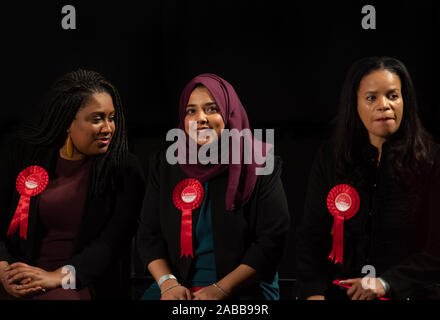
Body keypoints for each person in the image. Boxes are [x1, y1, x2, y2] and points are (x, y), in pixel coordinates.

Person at [296, 56, 440, 300]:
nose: (384, 105)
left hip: (408, 293)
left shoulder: (432, 159)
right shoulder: (330, 157)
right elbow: (311, 235)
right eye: (372, 98)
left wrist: (386, 283)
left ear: (405, 100)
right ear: (355, 104)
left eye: (393, 96)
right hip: (341, 293)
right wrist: (313, 293)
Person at [136, 73, 290, 300]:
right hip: (179, 286)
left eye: (211, 109)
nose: (201, 118)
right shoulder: (165, 164)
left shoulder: (261, 163)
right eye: (191, 111)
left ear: (229, 113)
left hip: (243, 288)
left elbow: (271, 241)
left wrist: (221, 289)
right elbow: (148, 235)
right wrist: (167, 284)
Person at [0, 70, 146, 300]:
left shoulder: (124, 169)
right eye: (97, 119)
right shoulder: (22, 154)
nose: (108, 128)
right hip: (17, 273)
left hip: (77, 280)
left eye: (111, 117)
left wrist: (58, 276)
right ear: (68, 121)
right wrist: (3, 269)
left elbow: (112, 242)